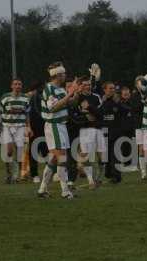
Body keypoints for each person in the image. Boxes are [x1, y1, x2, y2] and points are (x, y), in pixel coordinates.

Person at [37, 62, 80, 199]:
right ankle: (65, 191)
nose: (65, 75)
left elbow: (71, 103)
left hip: (61, 125)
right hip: (53, 125)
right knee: (62, 158)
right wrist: (70, 94)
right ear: (57, 75)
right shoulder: (49, 88)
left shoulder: (61, 89)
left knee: (55, 159)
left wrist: (76, 93)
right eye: (63, 73)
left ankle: (42, 190)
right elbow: (53, 108)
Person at [0, 78, 32, 184]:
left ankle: (19, 174)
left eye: (19, 84)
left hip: (20, 126)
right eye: (16, 84)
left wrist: (29, 127)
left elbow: (27, 114)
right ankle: (9, 173)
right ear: (12, 86)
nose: (18, 86)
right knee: (9, 151)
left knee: (19, 152)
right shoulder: (5, 97)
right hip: (7, 126)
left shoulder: (25, 98)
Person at [73, 75, 106, 189]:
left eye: (89, 84)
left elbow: (101, 112)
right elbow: (76, 114)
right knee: (86, 156)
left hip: (98, 129)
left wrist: (89, 109)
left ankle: (98, 179)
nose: (87, 87)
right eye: (85, 85)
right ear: (81, 86)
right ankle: (91, 181)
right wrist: (87, 115)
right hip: (85, 130)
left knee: (102, 157)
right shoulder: (77, 98)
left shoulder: (96, 97)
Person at [27, 81, 48, 184]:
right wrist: (29, 127)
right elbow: (30, 114)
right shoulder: (34, 98)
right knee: (34, 151)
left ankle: (51, 172)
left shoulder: (46, 97)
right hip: (35, 128)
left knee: (46, 150)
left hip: (45, 128)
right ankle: (34, 174)